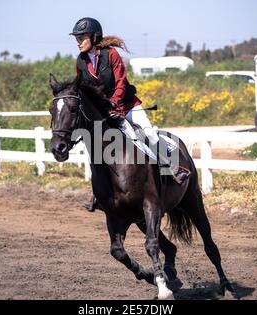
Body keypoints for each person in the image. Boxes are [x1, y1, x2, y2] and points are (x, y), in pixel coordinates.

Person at [69, 17, 190, 211]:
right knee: (96, 146)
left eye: (81, 37)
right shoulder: (80, 61)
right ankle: (98, 192)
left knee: (148, 133)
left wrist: (113, 104)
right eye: (76, 37)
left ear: (94, 36)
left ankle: (175, 168)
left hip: (127, 105)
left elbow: (121, 83)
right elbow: (85, 89)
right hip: (105, 112)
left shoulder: (111, 54)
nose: (78, 41)